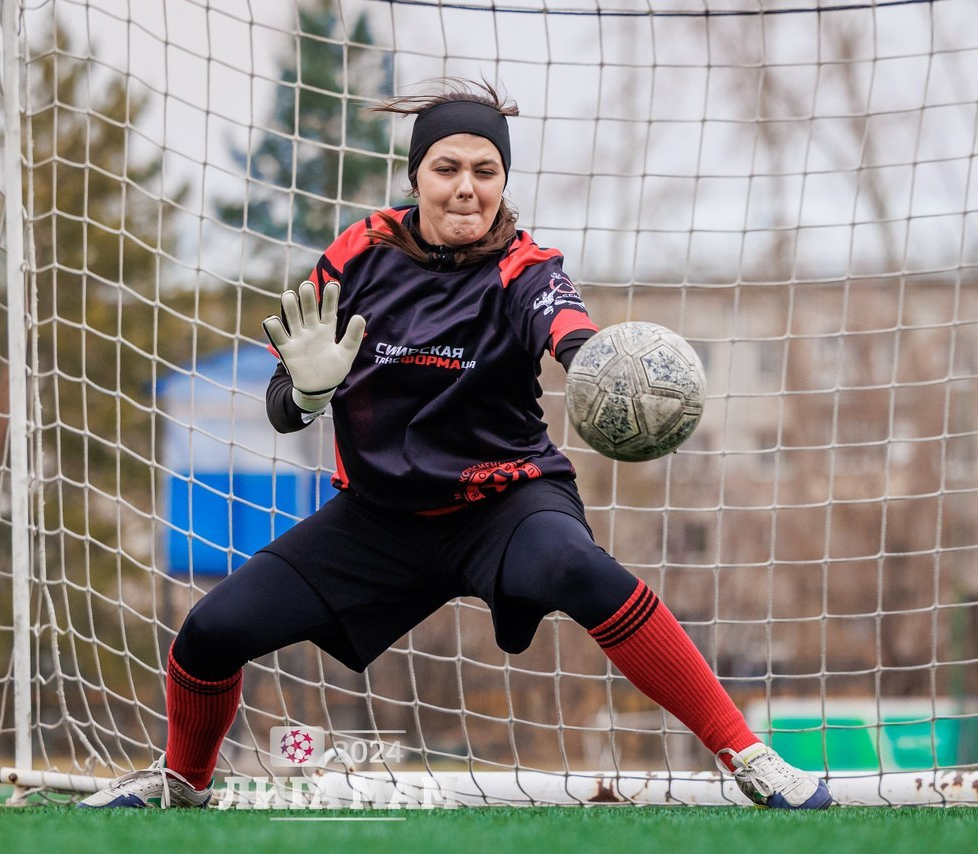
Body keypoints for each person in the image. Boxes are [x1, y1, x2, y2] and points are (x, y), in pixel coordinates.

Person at [80, 79, 832, 811]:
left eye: (486, 170)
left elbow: (569, 330)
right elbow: (283, 410)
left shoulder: (526, 269)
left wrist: (602, 366)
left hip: (505, 502)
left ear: (504, 181)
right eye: (448, 168)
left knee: (579, 568)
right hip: (380, 517)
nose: (467, 187)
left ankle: (750, 756)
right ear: (417, 177)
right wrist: (307, 391)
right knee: (211, 630)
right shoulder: (357, 257)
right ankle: (183, 782)